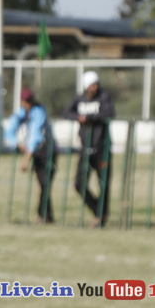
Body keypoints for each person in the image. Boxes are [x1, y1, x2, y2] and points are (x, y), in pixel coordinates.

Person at [61, 71, 115, 227]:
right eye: (92, 84)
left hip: (102, 148)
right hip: (85, 147)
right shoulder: (79, 99)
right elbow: (66, 112)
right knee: (79, 184)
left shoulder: (104, 97)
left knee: (103, 183)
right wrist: (79, 117)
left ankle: (101, 217)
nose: (94, 87)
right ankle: (99, 211)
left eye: (96, 84)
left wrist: (90, 117)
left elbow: (109, 113)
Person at [4, 88, 57, 223]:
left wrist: (26, 159)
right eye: (24, 101)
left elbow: (36, 136)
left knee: (45, 184)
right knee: (43, 185)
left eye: (28, 101)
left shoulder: (39, 112)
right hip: (35, 153)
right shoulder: (21, 113)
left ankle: (43, 215)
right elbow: (9, 131)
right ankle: (47, 216)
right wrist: (17, 144)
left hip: (48, 152)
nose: (26, 103)